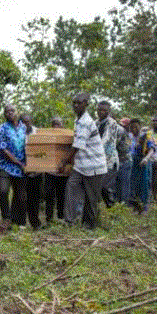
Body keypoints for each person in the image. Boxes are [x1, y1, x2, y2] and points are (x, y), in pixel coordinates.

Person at [58, 93, 107, 230]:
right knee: (71, 188)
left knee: (91, 198)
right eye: (74, 103)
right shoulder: (78, 120)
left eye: (78, 103)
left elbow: (77, 146)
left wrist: (64, 162)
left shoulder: (85, 122)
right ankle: (70, 220)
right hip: (81, 165)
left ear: (86, 104)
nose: (75, 105)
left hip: (94, 166)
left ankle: (90, 226)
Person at [0, 104, 27, 231]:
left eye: (12, 110)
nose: (10, 113)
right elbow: (3, 150)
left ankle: (17, 220)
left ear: (17, 112)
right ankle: (6, 218)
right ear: (4, 114)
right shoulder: (1, 129)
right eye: (7, 112)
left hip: (22, 168)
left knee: (20, 195)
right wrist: (20, 163)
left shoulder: (24, 128)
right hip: (6, 166)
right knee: (3, 191)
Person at [96, 101, 122, 208]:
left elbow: (105, 140)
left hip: (110, 160)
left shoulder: (111, 123)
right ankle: (109, 208)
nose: (102, 112)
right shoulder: (96, 123)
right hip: (98, 160)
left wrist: (94, 148)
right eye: (100, 110)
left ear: (109, 111)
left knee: (105, 186)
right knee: (100, 186)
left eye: (104, 110)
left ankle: (112, 208)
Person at [44, 117, 69, 224]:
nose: (56, 126)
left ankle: (60, 218)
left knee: (61, 196)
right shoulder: (47, 137)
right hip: (50, 172)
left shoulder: (67, 137)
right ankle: (49, 219)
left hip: (63, 173)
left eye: (58, 124)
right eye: (54, 124)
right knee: (49, 195)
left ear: (62, 126)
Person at [128, 118, 156, 214]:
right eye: (131, 127)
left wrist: (146, 158)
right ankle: (136, 207)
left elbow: (152, 149)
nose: (133, 129)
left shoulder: (146, 136)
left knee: (144, 184)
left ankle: (144, 208)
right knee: (133, 184)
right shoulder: (129, 137)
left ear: (139, 126)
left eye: (135, 126)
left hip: (143, 162)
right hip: (132, 162)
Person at [20, 112, 42, 230]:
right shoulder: (17, 134)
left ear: (31, 122)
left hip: (36, 171)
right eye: (23, 122)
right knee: (22, 197)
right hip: (22, 171)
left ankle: (35, 223)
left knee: (34, 197)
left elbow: (43, 151)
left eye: (27, 122)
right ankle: (21, 223)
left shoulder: (38, 132)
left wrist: (35, 167)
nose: (25, 124)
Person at [114, 118, 133, 203]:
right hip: (120, 161)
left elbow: (123, 148)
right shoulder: (121, 133)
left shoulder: (125, 134)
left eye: (123, 125)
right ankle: (118, 203)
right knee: (117, 183)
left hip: (125, 161)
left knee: (124, 184)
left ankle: (124, 204)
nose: (121, 127)